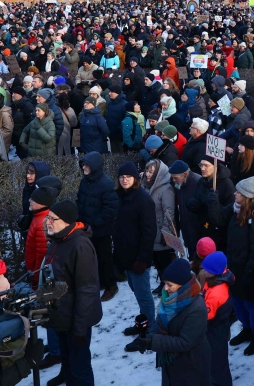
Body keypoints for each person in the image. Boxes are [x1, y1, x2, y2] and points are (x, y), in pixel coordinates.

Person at [41, 200, 103, 386]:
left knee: (80, 368)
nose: (48, 222)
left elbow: (87, 290)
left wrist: (79, 328)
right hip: (61, 317)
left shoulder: (80, 246)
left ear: (67, 221)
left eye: (53, 219)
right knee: (68, 363)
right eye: (47, 217)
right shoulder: (58, 240)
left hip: (75, 321)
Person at [127, 258, 212, 386]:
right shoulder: (170, 298)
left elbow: (185, 342)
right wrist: (147, 338)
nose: (165, 288)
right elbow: (163, 324)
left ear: (183, 285)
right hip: (172, 363)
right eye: (165, 283)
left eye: (170, 285)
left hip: (191, 365)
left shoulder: (197, 308)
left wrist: (153, 341)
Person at [112, 162, 157, 341]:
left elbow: (149, 232)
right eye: (122, 177)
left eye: (128, 177)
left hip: (139, 258)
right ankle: (143, 324)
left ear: (135, 179)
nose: (124, 180)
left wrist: (142, 259)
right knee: (137, 294)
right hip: (126, 255)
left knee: (144, 296)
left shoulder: (143, 200)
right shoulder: (120, 197)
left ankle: (149, 330)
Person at [226, 176, 254, 354]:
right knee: (238, 303)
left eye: (238, 191)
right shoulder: (237, 211)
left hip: (249, 272)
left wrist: (250, 272)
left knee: (251, 306)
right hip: (235, 268)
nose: (235, 193)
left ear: (248, 196)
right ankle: (247, 329)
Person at [76, 151, 120, 302]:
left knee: (105, 258)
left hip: (101, 230)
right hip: (86, 229)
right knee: (93, 258)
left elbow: (110, 209)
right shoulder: (85, 181)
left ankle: (111, 285)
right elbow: (80, 200)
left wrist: (92, 223)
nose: (84, 168)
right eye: (83, 165)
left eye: (86, 165)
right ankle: (101, 281)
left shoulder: (106, 183)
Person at [198, 251, 235, 386]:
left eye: (206, 269)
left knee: (217, 364)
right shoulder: (215, 279)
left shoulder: (216, 293)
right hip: (218, 327)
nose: (203, 271)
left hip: (215, 330)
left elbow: (206, 316)